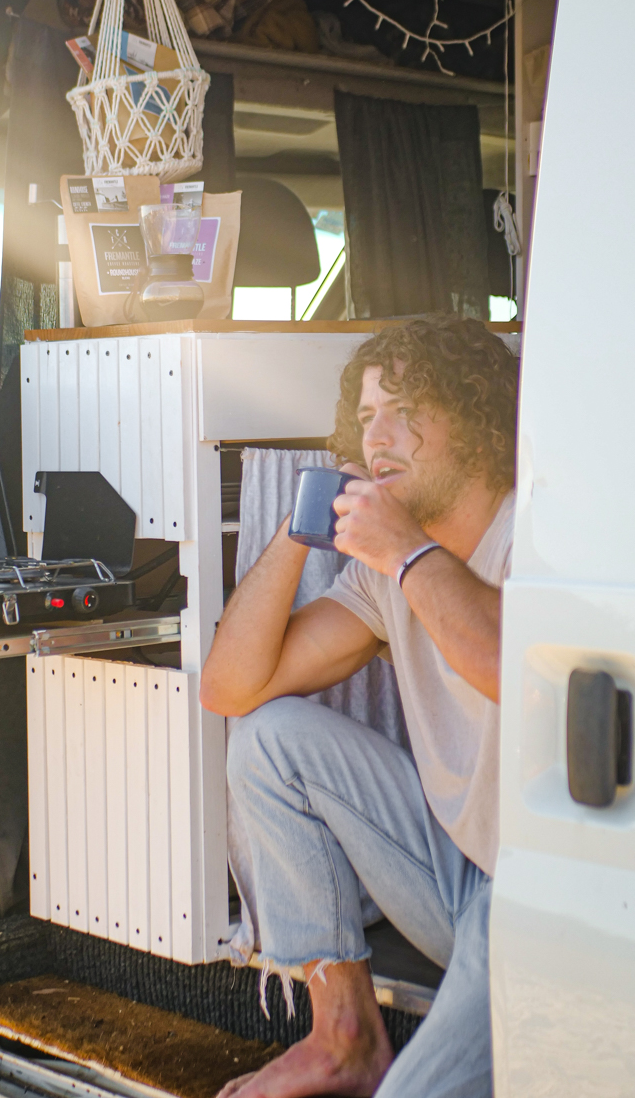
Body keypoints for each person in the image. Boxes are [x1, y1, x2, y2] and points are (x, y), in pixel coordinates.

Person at [199, 315, 518, 1098]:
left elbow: (517, 672)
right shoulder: (385, 570)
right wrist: (299, 528)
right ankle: (341, 1033)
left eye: (406, 409)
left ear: (477, 422)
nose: (380, 435)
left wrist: (406, 552)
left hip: (543, 894)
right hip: (457, 875)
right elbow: (229, 688)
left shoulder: (532, 534)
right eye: (368, 416)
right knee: (268, 736)